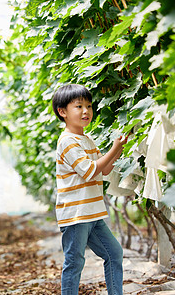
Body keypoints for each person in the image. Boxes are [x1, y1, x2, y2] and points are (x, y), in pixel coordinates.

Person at [52, 84, 126, 295]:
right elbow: (89, 171)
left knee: (114, 253)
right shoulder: (67, 141)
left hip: (92, 214)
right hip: (76, 216)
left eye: (89, 106)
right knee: (74, 262)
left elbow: (104, 170)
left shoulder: (87, 139)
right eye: (79, 106)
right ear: (63, 112)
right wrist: (113, 149)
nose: (86, 111)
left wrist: (117, 151)